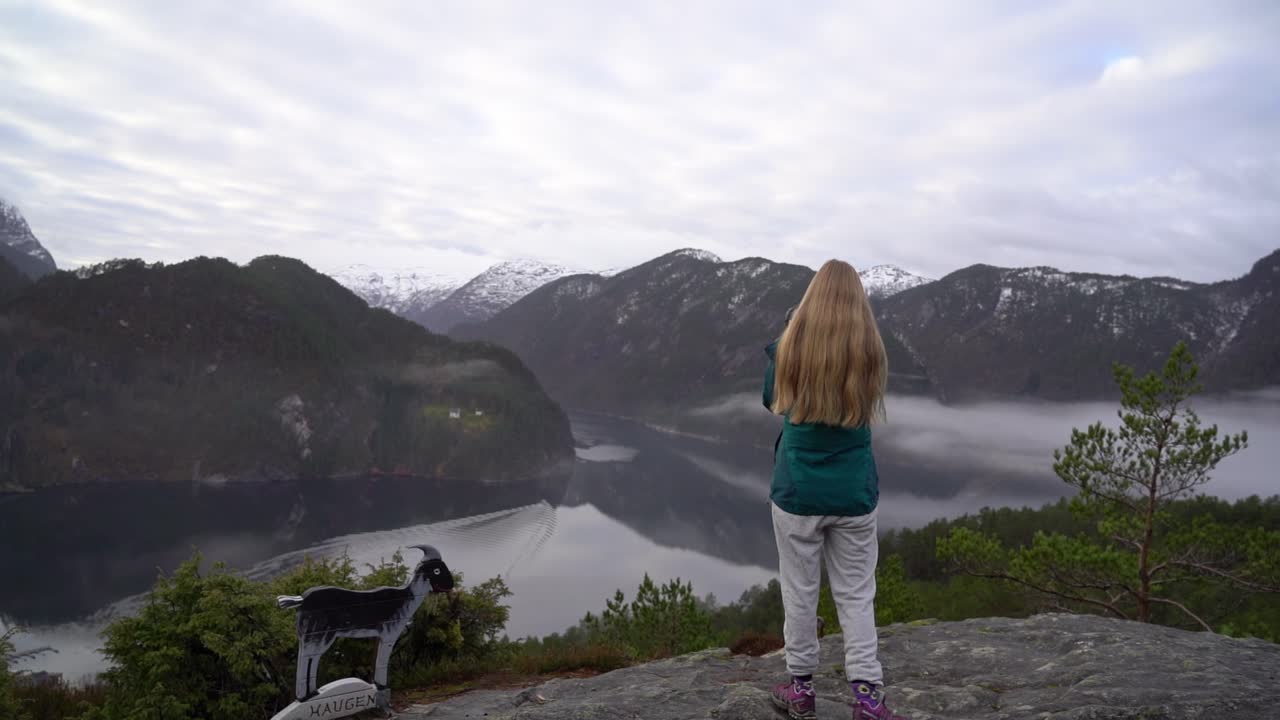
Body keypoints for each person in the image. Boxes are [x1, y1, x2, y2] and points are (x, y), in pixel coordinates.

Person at [763, 259, 907, 720]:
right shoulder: (870, 351)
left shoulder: (791, 346)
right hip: (853, 493)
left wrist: (786, 337)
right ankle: (867, 698)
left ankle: (801, 690)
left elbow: (772, 401)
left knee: (799, 591)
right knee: (856, 594)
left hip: (797, 492)